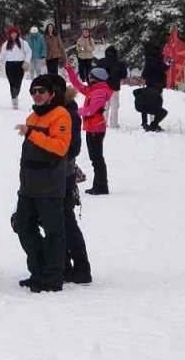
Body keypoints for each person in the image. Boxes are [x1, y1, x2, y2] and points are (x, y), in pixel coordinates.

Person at [13, 74, 72, 293]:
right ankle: (37, 270)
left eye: (41, 91)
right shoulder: (32, 117)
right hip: (28, 185)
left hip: (49, 185)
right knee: (23, 226)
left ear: (51, 94)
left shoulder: (60, 115)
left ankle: (53, 276)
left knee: (54, 231)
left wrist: (32, 134)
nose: (37, 95)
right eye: (33, 91)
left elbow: (60, 147)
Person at [60, 79, 91, 285]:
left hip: (63, 174)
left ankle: (79, 266)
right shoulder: (65, 111)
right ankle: (66, 264)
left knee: (66, 220)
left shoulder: (69, 114)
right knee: (61, 220)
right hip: (60, 173)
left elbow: (73, 148)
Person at [65, 65, 112, 195]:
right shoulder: (94, 89)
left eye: (91, 76)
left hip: (96, 129)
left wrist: (75, 112)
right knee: (95, 158)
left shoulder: (99, 92)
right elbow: (78, 86)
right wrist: (70, 71)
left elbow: (91, 110)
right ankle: (99, 185)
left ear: (96, 79)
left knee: (97, 158)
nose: (89, 78)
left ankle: (101, 186)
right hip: (92, 128)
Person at [0, 27, 32, 110]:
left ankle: (16, 95)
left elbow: (29, 52)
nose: (13, 35)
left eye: (15, 33)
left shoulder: (23, 43)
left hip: (20, 65)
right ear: (10, 34)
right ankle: (14, 99)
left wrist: (26, 61)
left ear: (17, 33)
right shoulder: (6, 44)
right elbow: (2, 54)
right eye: (12, 33)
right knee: (12, 83)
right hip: (9, 65)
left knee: (18, 83)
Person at [98, 45, 127, 130]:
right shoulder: (120, 63)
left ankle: (103, 122)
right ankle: (113, 123)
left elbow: (96, 73)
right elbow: (123, 75)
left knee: (105, 105)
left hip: (103, 86)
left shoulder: (101, 62)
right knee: (115, 105)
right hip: (115, 86)